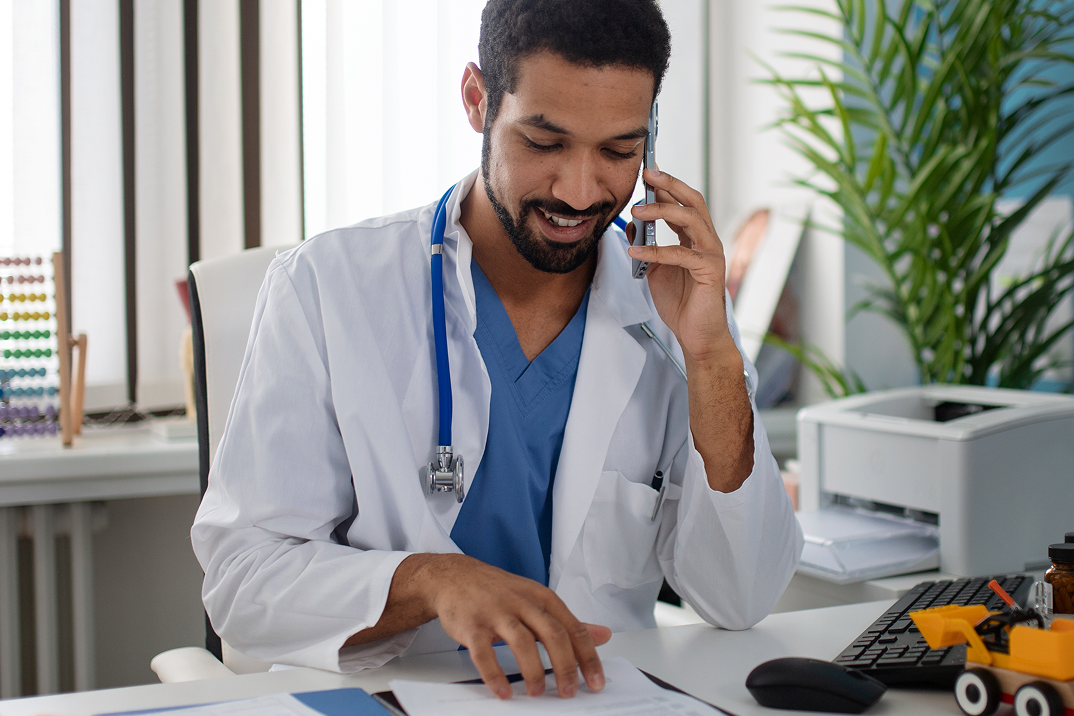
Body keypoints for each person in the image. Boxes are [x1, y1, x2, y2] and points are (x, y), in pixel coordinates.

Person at [192, 0, 803, 701]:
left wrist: (713, 359)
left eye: (618, 152)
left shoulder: (675, 310)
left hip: (599, 699)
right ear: (477, 100)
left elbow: (741, 596)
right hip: (388, 697)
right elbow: (242, 580)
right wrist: (429, 581)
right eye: (544, 143)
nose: (580, 191)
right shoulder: (328, 288)